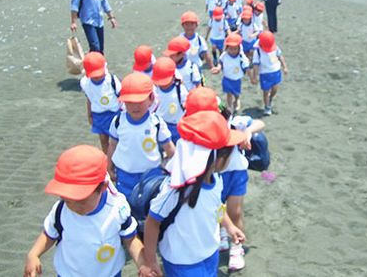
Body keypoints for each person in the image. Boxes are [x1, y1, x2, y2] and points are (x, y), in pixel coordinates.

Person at [143, 111, 247, 277]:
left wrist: (229, 226)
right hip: (182, 262)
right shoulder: (176, 189)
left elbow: (215, 206)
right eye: (230, 152)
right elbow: (152, 221)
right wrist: (150, 261)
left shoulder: (216, 180)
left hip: (209, 252)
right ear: (216, 159)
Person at [23, 145, 152, 277]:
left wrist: (142, 264)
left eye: (82, 201)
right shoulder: (60, 210)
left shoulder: (116, 208)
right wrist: (34, 254)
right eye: (68, 200)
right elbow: (49, 234)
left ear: (103, 187)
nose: (74, 207)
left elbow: (131, 239)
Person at [182, 87, 265, 271]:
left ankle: (237, 247)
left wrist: (248, 132)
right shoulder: (195, 132)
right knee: (215, 210)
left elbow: (259, 123)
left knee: (235, 212)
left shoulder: (232, 123)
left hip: (235, 173)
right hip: (213, 174)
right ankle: (221, 234)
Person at [107, 72, 175, 199]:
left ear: (151, 99)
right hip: (125, 175)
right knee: (126, 206)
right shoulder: (118, 122)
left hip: (152, 174)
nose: (135, 106)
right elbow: (112, 146)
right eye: (130, 102)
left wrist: (177, 169)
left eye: (140, 101)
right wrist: (109, 168)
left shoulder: (157, 123)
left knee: (150, 206)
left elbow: (170, 149)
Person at [79, 52, 121, 154]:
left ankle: (119, 158)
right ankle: (107, 160)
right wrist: (89, 115)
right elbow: (89, 99)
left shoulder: (112, 80)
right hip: (98, 115)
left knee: (117, 139)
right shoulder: (85, 83)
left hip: (114, 114)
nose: (97, 78)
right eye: (94, 76)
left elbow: (121, 96)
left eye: (99, 75)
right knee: (103, 140)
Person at [211, 33, 251, 113]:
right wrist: (218, 68)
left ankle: (236, 100)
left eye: (235, 49)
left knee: (236, 93)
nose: (232, 51)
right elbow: (220, 62)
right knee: (228, 94)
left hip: (236, 79)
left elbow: (246, 68)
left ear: (239, 48)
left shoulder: (241, 57)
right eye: (230, 49)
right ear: (227, 48)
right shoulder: (224, 55)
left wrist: (251, 78)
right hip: (227, 78)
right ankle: (230, 106)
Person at [251, 31, 288, 115]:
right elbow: (256, 65)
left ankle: (270, 97)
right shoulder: (258, 51)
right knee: (265, 91)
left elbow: (280, 56)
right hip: (264, 74)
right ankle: (267, 107)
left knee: (275, 89)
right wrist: (255, 77)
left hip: (275, 71)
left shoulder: (275, 48)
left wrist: (284, 67)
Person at [152, 57, 188, 144]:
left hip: (178, 125)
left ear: (173, 77)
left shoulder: (180, 89)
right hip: (160, 125)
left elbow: (187, 103)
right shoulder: (154, 90)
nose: (163, 85)